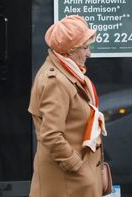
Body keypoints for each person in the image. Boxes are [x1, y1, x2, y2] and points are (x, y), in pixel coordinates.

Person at [28, 15, 107, 197]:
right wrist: (78, 168)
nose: (89, 54)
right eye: (85, 48)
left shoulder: (69, 74)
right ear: (69, 51)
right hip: (68, 182)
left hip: (73, 181)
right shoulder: (55, 81)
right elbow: (51, 134)